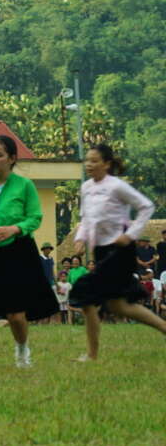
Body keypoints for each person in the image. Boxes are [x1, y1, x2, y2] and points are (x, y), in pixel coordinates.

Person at [0, 135, 58, 371]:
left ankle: (21, 351)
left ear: (12, 158)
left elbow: (35, 217)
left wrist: (14, 229)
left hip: (18, 252)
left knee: (16, 315)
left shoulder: (24, 186)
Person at [69, 144, 166, 361]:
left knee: (85, 294)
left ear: (107, 164)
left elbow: (146, 207)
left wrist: (131, 234)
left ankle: (92, 355)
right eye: (87, 160)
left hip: (120, 250)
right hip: (102, 251)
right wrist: (80, 238)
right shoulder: (86, 187)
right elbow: (86, 218)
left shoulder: (116, 186)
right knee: (118, 305)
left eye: (94, 161)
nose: (89, 165)